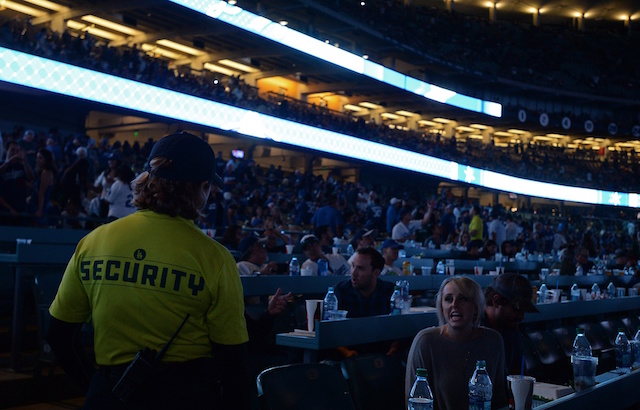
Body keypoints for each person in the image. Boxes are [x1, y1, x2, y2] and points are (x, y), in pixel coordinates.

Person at [46, 132, 250, 409]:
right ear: (202, 188)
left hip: (110, 393)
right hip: (186, 396)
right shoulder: (216, 259)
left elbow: (58, 335)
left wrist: (98, 388)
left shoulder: (94, 241)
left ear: (148, 179)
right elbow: (232, 362)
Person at [405, 276, 507, 410]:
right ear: (441, 307)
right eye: (448, 299)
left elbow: (500, 400)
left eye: (463, 299)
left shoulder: (493, 340)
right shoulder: (425, 342)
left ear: (476, 306)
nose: (454, 304)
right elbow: (414, 404)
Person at [332, 247, 396, 357]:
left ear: (376, 272)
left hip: (384, 353)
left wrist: (395, 348)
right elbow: (329, 331)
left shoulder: (390, 292)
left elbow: (401, 326)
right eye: (352, 266)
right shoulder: (341, 291)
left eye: (360, 268)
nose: (353, 272)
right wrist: (345, 352)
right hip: (349, 355)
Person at [482, 273, 539, 376]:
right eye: (517, 309)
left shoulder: (511, 328)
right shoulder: (472, 329)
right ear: (496, 301)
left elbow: (518, 373)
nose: (522, 317)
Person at [0, 140, 33, 224]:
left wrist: (24, 161)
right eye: (12, 150)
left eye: (16, 150)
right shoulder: (1, 164)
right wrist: (10, 161)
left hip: (20, 208)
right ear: (6, 150)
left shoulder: (20, 166)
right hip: (4, 209)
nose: (15, 152)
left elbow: (30, 177)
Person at [27, 148, 57, 226]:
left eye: (40, 158)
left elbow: (42, 192)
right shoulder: (41, 172)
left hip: (40, 206)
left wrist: (40, 210)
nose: (38, 160)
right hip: (35, 203)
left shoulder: (46, 172)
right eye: (37, 158)